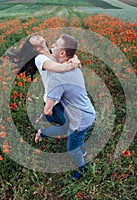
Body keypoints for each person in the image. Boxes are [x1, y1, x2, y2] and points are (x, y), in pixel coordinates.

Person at [35, 34, 96, 180]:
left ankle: (83, 171)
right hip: (89, 112)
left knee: (71, 149)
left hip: (79, 120)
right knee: (78, 137)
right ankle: (84, 151)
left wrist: (45, 114)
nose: (52, 47)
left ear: (62, 53)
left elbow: (48, 110)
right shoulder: (73, 66)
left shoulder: (58, 79)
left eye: (55, 45)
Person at [8, 34, 81, 129]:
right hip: (53, 99)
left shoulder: (53, 51)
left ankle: (46, 117)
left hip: (65, 93)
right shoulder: (40, 59)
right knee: (67, 124)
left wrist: (74, 59)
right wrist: (74, 63)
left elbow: (72, 55)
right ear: (34, 48)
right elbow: (59, 68)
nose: (36, 36)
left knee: (76, 119)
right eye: (32, 38)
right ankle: (46, 119)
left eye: (36, 35)